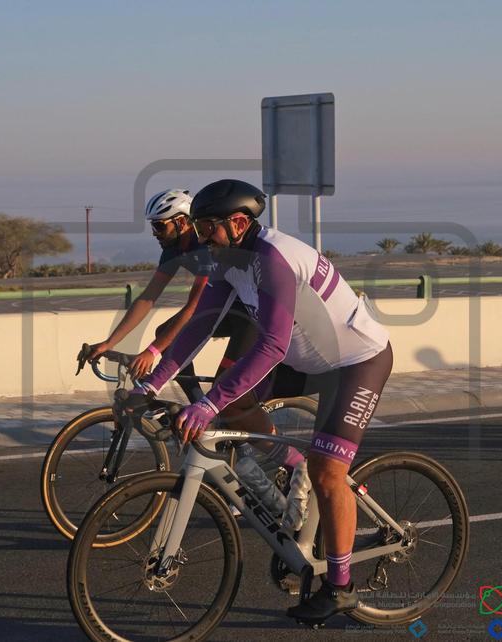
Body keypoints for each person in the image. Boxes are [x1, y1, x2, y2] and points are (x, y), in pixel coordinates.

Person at [133, 179, 393, 623]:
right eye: (197, 227)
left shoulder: (272, 258)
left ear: (238, 223)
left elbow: (271, 345)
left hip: (356, 361)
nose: (201, 237)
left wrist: (207, 404)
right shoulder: (227, 258)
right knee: (234, 405)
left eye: (208, 227)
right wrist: (151, 385)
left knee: (328, 472)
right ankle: (295, 468)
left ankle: (341, 586)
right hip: (309, 360)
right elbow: (200, 325)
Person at [87, 188, 255, 399]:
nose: (155, 233)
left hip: (250, 317)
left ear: (182, 222)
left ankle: (218, 411)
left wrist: (151, 352)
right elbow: (148, 298)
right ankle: (197, 404)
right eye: (153, 226)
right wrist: (109, 342)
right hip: (223, 310)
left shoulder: (205, 246)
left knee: (223, 389)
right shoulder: (172, 249)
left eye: (159, 226)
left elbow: (194, 308)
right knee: (164, 333)